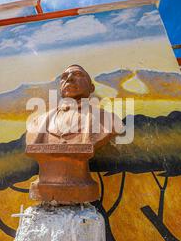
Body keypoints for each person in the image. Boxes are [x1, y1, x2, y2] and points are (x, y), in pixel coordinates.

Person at [25, 64, 123, 204]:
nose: (69, 78)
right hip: (43, 186)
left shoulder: (108, 120)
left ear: (91, 88)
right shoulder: (37, 122)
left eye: (78, 75)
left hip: (83, 186)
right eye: (64, 77)